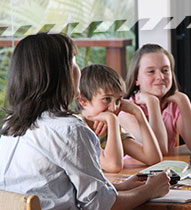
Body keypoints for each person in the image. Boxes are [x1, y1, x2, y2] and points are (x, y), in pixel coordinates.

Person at [0, 33, 169, 210]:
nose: (78, 69)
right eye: (73, 61)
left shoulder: (11, 127)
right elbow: (99, 205)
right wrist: (150, 190)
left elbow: (54, 189)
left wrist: (120, 186)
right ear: (60, 75)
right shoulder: (69, 130)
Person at [119, 44, 191, 155]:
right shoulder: (126, 110)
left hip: (165, 169)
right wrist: (152, 103)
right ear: (136, 79)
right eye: (151, 71)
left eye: (165, 70)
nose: (160, 76)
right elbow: (159, 150)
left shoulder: (173, 105)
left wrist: (183, 100)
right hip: (134, 171)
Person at [75, 64, 162, 173]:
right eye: (106, 99)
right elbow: (113, 166)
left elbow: (153, 158)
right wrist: (112, 120)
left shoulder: (110, 130)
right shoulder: (78, 128)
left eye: (118, 100)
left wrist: (139, 114)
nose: (114, 108)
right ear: (83, 100)